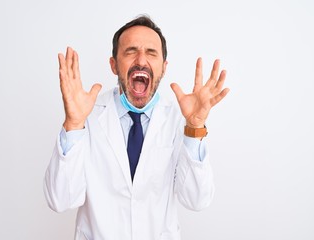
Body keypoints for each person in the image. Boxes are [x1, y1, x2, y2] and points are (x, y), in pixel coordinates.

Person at [44, 15, 229, 240]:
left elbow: (197, 199)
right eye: (130, 51)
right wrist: (73, 125)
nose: (141, 60)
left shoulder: (180, 119)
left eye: (151, 53)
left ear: (163, 67)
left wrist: (195, 127)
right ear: (114, 65)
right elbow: (59, 200)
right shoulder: (87, 115)